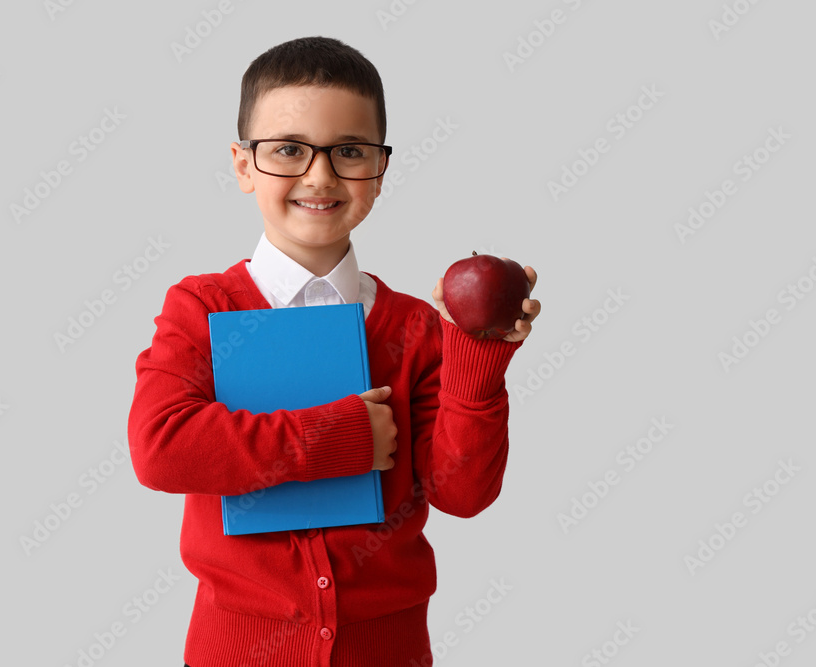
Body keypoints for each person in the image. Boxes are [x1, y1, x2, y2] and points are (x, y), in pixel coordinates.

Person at [127, 35, 541, 667]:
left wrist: (474, 355)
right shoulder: (205, 308)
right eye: (289, 150)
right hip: (237, 650)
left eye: (349, 151)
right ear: (243, 166)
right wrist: (345, 437)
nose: (320, 175)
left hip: (389, 649)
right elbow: (162, 448)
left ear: (379, 170)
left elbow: (463, 494)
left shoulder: (415, 327)